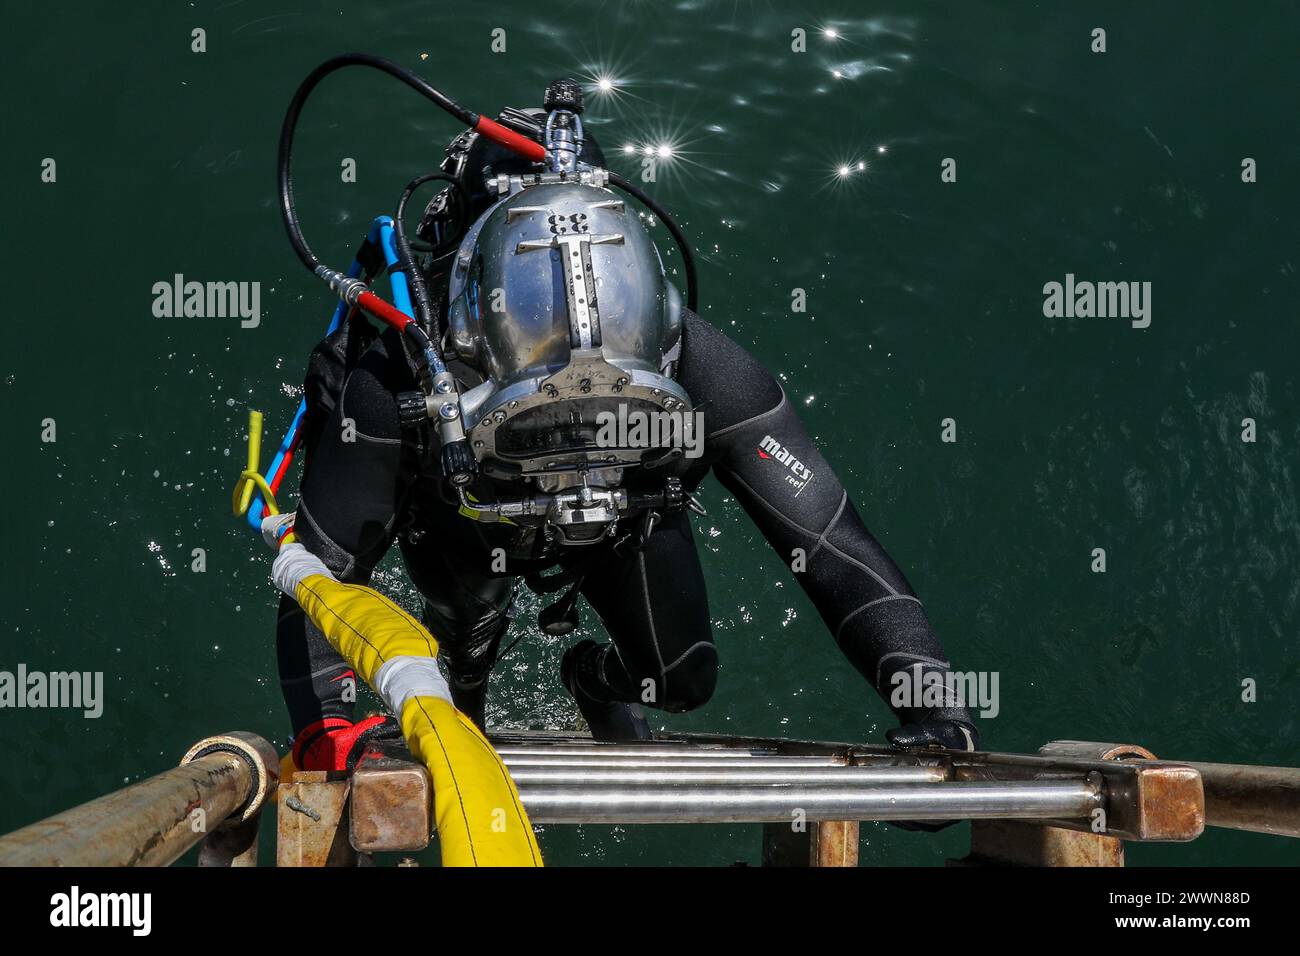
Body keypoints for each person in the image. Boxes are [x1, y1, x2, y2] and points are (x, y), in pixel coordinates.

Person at [274, 82, 979, 771]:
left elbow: (826, 541)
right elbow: (321, 574)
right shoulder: (403, 374)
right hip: (464, 524)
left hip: (625, 512)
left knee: (681, 681)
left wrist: (935, 713)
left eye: (609, 384)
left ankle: (591, 678)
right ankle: (468, 696)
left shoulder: (696, 361)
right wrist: (333, 736)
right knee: (464, 665)